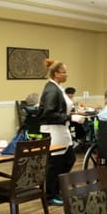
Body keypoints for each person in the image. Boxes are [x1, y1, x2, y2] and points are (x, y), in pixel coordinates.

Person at [38, 59, 77, 206]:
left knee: (69, 159)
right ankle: (50, 195)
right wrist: (70, 117)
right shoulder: (51, 90)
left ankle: (57, 189)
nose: (67, 74)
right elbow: (48, 113)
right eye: (64, 72)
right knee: (54, 164)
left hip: (61, 129)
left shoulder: (58, 88)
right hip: (53, 130)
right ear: (56, 74)